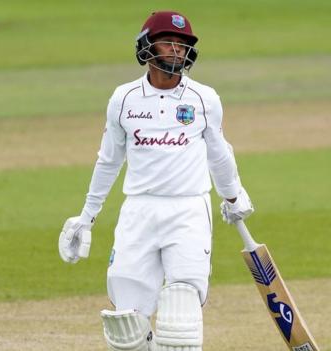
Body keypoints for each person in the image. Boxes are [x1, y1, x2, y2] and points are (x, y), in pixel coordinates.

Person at [58, 11, 254, 351]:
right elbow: (108, 159)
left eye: (183, 44)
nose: (177, 51)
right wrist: (86, 217)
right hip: (138, 211)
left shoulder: (204, 99)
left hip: (188, 210)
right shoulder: (123, 99)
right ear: (147, 46)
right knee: (125, 327)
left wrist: (234, 197)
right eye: (169, 42)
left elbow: (219, 152)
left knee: (180, 319)